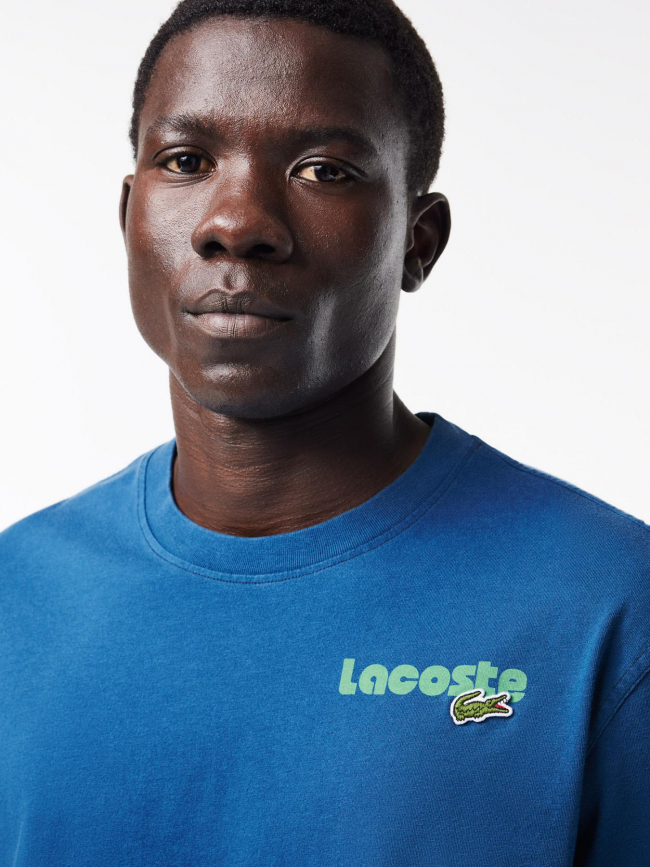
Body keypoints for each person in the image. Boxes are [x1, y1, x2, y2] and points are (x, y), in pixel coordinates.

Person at [1, 0, 648, 863]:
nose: (236, 223)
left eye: (323, 170)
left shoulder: (610, 610)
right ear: (129, 217)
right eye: (187, 161)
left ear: (419, 242)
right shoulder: (16, 597)